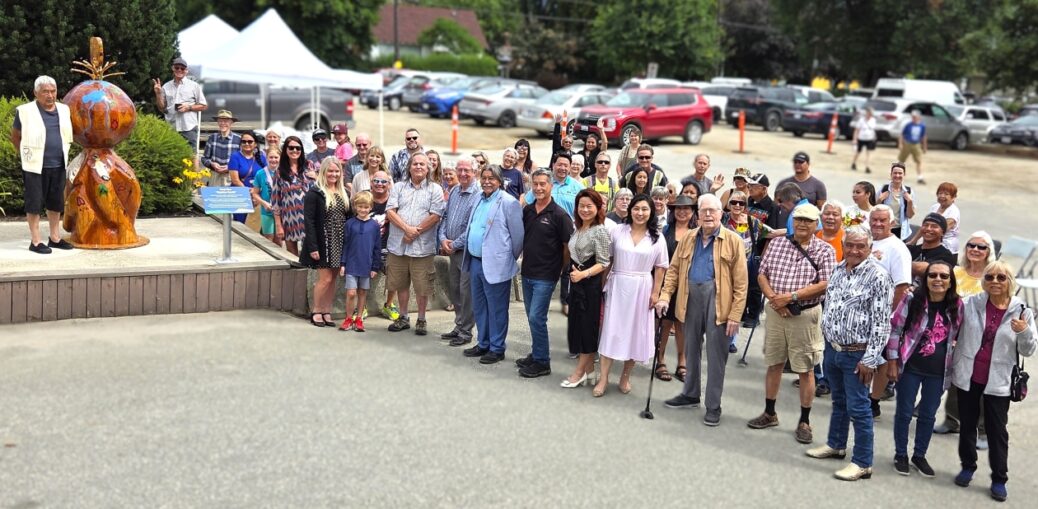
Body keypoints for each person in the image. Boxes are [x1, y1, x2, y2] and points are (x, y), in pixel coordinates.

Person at [805, 225, 893, 481]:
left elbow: (881, 322)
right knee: (839, 402)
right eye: (850, 245)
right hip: (833, 350)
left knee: (859, 407)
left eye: (860, 246)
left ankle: (863, 462)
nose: (854, 250)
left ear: (870, 249)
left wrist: (870, 359)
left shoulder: (878, 276)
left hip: (859, 354)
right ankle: (836, 444)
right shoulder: (837, 270)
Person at [749, 204, 836, 445]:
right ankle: (770, 412)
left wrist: (791, 297)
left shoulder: (824, 250)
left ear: (816, 225)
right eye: (798, 220)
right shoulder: (777, 243)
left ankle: (805, 421)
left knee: (805, 368)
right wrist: (775, 300)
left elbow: (825, 283)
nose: (802, 224)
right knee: (774, 362)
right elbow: (762, 273)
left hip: (805, 314)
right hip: (776, 311)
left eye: (808, 221)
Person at [658, 194, 748, 426]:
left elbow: (741, 283)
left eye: (713, 210)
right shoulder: (688, 237)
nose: (708, 215)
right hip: (690, 297)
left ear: (721, 214)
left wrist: (735, 315)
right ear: (697, 214)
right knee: (690, 348)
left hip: (719, 301)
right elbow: (674, 270)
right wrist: (665, 296)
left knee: (716, 356)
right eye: (704, 210)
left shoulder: (733, 240)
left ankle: (713, 405)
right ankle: (690, 394)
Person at [950, 261, 1036, 502]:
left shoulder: (1022, 311)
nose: (995, 282)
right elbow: (953, 327)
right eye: (989, 278)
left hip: (998, 381)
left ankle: (999, 478)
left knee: (997, 431)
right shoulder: (970, 304)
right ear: (983, 281)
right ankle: (968, 466)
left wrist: (1024, 331)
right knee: (966, 424)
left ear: (1010, 281)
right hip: (969, 375)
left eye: (1001, 277)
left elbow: (1029, 350)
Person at [886, 260, 963, 478]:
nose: (938, 280)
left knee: (928, 415)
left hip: (939, 372)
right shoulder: (912, 299)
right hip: (911, 367)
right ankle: (900, 454)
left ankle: (919, 455)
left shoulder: (957, 305)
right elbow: (895, 329)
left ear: (950, 282)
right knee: (903, 412)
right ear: (926, 279)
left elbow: (958, 336)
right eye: (933, 275)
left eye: (943, 276)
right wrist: (892, 361)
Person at [594, 195, 669, 397]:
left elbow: (661, 267)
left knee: (636, 333)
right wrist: (601, 285)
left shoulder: (657, 237)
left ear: (651, 212)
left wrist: (656, 293)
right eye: (636, 208)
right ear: (630, 210)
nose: (640, 213)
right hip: (618, 284)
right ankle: (603, 378)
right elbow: (607, 259)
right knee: (611, 330)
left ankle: (625, 376)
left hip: (642, 287)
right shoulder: (618, 231)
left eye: (645, 209)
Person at [461, 166, 524, 365]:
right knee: (480, 307)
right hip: (476, 262)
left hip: (496, 264)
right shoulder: (479, 198)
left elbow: (518, 237)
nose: (487, 181)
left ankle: (497, 348)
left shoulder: (508, 202)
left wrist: (506, 258)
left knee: (496, 309)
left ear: (499, 181)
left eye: (492, 178)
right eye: (484, 178)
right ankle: (483, 342)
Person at [516, 169, 574, 376]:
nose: (539, 188)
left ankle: (542, 362)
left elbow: (568, 246)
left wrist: (559, 268)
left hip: (546, 276)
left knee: (536, 318)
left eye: (543, 184)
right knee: (532, 317)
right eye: (536, 184)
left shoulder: (560, 215)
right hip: (528, 272)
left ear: (551, 186)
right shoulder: (528, 211)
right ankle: (536, 352)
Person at [10, 75, 74, 254]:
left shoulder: (64, 110)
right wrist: (23, 154)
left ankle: (54, 237)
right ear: (36, 93)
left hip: (58, 164)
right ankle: (36, 241)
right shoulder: (25, 111)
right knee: (34, 203)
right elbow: (16, 135)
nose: (50, 95)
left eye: (53, 91)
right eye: (45, 91)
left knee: (56, 203)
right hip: (34, 165)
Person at [385, 153, 445, 335]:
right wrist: (406, 229)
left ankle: (421, 319)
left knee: (422, 286)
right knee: (400, 284)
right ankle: (403, 317)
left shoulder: (435, 189)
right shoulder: (399, 187)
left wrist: (414, 232)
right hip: (398, 246)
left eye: (422, 164)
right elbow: (390, 211)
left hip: (422, 248)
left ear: (428, 169)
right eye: (415, 164)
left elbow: (435, 215)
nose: (418, 167)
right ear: (409, 167)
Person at [559, 189, 609, 385]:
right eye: (582, 206)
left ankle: (578, 373)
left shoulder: (600, 231)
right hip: (576, 284)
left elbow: (604, 262)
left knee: (587, 329)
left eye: (590, 206)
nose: (585, 210)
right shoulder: (578, 228)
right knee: (577, 327)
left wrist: (583, 274)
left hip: (590, 286)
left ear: (598, 208)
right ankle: (589, 371)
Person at [866, 205, 912, 416]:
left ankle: (874, 400)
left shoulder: (897, 248)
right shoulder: (866, 241)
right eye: (874, 219)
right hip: (861, 313)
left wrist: (889, 317)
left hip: (883, 315)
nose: (877, 223)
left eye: (882, 220)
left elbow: (902, 286)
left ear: (891, 223)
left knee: (881, 359)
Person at [300, 157, 350, 327]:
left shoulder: (344, 192)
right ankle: (316, 310)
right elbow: (309, 221)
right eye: (330, 171)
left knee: (334, 279)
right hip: (324, 240)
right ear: (323, 172)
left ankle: (327, 310)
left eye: (337, 171)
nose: (334, 174)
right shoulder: (315, 193)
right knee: (325, 279)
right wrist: (313, 246)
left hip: (339, 239)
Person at [437, 157, 481, 347]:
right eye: (460, 170)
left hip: (466, 251)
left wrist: (454, 243)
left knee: (466, 292)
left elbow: (473, 227)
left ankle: (465, 331)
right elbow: (445, 218)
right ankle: (459, 324)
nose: (462, 174)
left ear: (475, 172)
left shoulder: (478, 194)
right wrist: (443, 238)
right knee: (454, 289)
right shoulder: (454, 190)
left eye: (467, 170)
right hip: (452, 249)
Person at [654, 195, 696, 382]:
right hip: (667, 284)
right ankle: (660, 360)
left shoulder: (697, 233)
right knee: (664, 324)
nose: (682, 211)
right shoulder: (665, 231)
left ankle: (682, 362)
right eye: (678, 208)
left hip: (688, 285)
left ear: (693, 211)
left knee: (682, 325)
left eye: (686, 208)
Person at [723, 190, 771, 351]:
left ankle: (731, 341)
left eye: (741, 203)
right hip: (722, 266)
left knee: (737, 304)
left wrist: (793, 232)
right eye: (734, 202)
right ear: (729, 204)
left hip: (742, 269)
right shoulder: (722, 219)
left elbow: (770, 233)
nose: (737, 205)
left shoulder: (753, 222)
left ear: (745, 206)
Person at [338, 191, 381, 332]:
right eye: (360, 207)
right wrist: (343, 264)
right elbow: (345, 244)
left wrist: (375, 266)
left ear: (371, 207)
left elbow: (377, 247)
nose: (363, 210)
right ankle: (348, 318)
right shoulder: (349, 224)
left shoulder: (374, 226)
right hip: (351, 264)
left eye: (366, 207)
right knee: (351, 293)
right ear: (355, 207)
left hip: (366, 265)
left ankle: (359, 319)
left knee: (362, 292)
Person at [272, 136, 316, 256]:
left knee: (311, 255)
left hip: (309, 218)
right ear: (285, 149)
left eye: (298, 148)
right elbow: (276, 201)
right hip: (290, 219)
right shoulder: (279, 172)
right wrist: (278, 225)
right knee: (293, 256)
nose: (294, 151)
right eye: (291, 148)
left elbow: (321, 188)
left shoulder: (309, 165)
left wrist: (317, 177)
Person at [152, 57, 207, 146]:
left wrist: (188, 107)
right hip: (171, 128)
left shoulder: (194, 86)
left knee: (190, 156)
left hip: (189, 128)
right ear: (173, 68)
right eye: (177, 68)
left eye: (182, 68)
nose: (179, 70)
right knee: (172, 157)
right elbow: (162, 108)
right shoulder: (166, 86)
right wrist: (158, 94)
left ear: (186, 71)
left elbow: (203, 106)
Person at [369, 171, 400, 321]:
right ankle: (361, 306)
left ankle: (389, 305)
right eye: (376, 181)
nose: (380, 184)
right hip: (367, 245)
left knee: (393, 275)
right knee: (361, 275)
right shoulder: (364, 198)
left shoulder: (394, 201)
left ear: (389, 184)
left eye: (383, 181)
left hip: (389, 244)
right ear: (371, 182)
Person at [776, 151, 826, 229]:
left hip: (804, 228)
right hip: (782, 226)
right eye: (795, 162)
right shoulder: (783, 183)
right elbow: (776, 205)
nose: (797, 164)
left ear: (808, 164)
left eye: (801, 162)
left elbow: (822, 211)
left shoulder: (818, 185)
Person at [908, 182, 961, 253]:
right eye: (940, 193)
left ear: (953, 197)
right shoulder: (934, 207)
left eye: (946, 194)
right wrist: (912, 241)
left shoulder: (953, 212)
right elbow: (925, 226)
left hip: (946, 246)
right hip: (931, 242)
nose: (942, 196)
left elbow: (940, 231)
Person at [228, 131, 267, 223]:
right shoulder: (235, 157)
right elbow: (235, 180)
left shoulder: (261, 158)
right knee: (241, 223)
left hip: (258, 197)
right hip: (241, 195)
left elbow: (266, 177)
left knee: (256, 224)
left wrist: (257, 194)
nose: (246, 144)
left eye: (250, 141)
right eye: (244, 141)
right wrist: (251, 193)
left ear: (255, 144)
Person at [908, 213, 957, 284]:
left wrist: (896, 262)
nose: (928, 228)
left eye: (934, 226)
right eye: (925, 225)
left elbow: (924, 269)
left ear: (942, 232)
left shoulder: (946, 255)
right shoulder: (911, 249)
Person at [201, 110, 241, 186]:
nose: (223, 123)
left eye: (226, 121)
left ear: (231, 123)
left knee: (230, 197)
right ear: (217, 122)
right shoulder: (212, 138)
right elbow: (204, 158)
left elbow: (243, 160)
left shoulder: (238, 139)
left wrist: (230, 167)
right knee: (213, 197)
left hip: (232, 176)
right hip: (215, 176)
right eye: (220, 121)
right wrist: (212, 164)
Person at [878, 162, 915, 241]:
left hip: (901, 231)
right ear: (891, 174)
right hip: (884, 228)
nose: (897, 175)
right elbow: (874, 209)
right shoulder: (883, 189)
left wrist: (910, 202)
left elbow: (910, 215)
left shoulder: (909, 192)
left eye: (900, 173)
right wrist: (879, 200)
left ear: (904, 175)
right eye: (895, 173)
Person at [252, 148, 280, 242]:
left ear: (280, 158)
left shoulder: (284, 172)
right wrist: (264, 203)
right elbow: (254, 193)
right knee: (268, 238)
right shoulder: (260, 173)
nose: (273, 160)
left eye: (276, 157)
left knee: (279, 239)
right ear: (266, 158)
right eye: (271, 157)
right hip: (266, 210)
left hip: (281, 212)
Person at [898, 110, 928, 184]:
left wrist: (924, 146)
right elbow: (902, 134)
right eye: (913, 117)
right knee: (901, 160)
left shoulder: (922, 126)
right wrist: (900, 144)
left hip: (916, 144)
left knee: (919, 161)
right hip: (907, 143)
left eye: (915, 117)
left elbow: (923, 136)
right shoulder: (908, 125)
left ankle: (920, 177)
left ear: (918, 117)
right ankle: (898, 175)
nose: (913, 118)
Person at [850, 107, 877, 173]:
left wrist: (874, 137)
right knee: (858, 152)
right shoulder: (861, 120)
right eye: (869, 113)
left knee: (868, 153)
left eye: (871, 114)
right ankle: (854, 163)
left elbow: (873, 130)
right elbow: (857, 130)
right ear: (867, 113)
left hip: (869, 138)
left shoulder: (873, 120)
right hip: (861, 138)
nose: (870, 115)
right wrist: (854, 139)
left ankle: (867, 167)